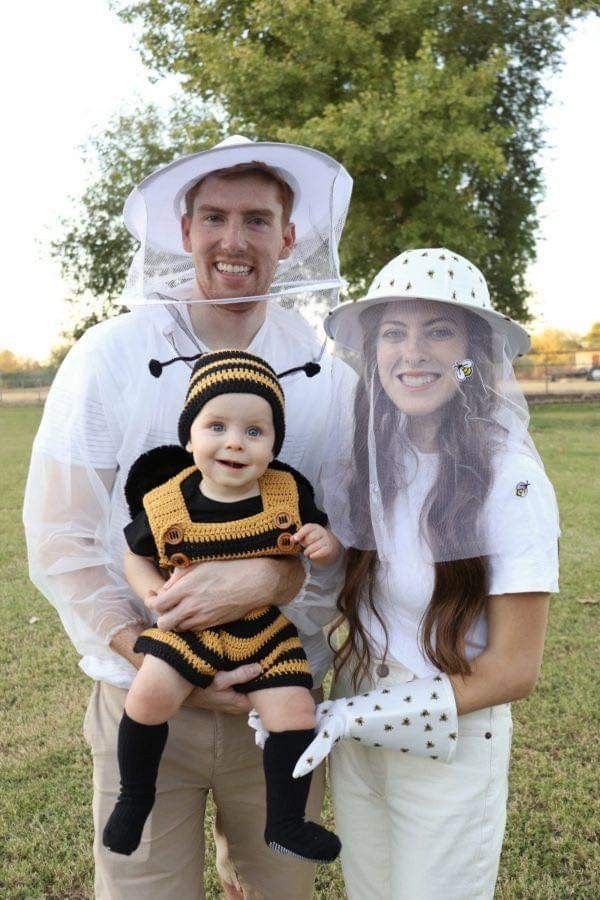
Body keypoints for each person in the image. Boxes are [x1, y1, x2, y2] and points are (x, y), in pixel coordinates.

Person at [23, 135, 354, 899]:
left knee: (277, 887)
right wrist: (146, 650)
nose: (233, 241)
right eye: (213, 217)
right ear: (185, 232)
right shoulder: (108, 355)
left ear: (289, 236)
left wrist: (272, 579)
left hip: (280, 696)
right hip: (145, 696)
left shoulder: (327, 374)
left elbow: (348, 538)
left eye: (257, 220)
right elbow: (62, 533)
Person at [291, 248, 560, 899]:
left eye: (438, 331)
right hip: (358, 729)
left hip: (448, 744)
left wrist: (359, 716)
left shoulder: (511, 480)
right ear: (374, 352)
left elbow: (513, 671)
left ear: (473, 354)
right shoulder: (367, 463)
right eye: (394, 333)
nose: (413, 354)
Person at [103, 348, 342, 864]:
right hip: (188, 628)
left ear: (274, 443)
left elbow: (316, 538)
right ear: (189, 436)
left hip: (263, 630)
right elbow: (134, 556)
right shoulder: (166, 502)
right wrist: (150, 592)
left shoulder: (286, 490)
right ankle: (133, 797)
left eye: (255, 431)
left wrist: (323, 541)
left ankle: (285, 821)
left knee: (296, 711)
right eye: (217, 426)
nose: (235, 441)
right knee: (146, 698)